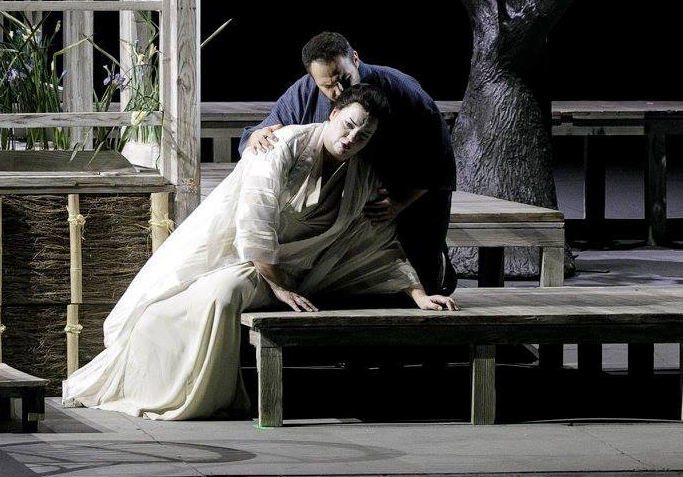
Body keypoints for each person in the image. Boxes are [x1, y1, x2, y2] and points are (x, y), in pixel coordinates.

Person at [62, 86, 456, 420]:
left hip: (303, 269)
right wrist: (277, 284)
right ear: (333, 113)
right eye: (348, 125)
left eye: (364, 135)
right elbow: (255, 215)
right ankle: (170, 389)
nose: (352, 138)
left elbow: (377, 240)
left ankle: (208, 398)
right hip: (246, 255)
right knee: (175, 306)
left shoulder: (362, 173)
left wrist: (417, 294)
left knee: (222, 295)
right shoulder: (282, 143)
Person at [240, 32, 458, 297]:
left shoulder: (403, 92)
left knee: (422, 283)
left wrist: (400, 201)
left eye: (344, 79)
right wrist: (256, 136)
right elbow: (262, 136)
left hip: (402, 198)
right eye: (327, 86)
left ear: (355, 59)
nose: (339, 91)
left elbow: (439, 163)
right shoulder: (304, 91)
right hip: (342, 207)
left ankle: (437, 273)